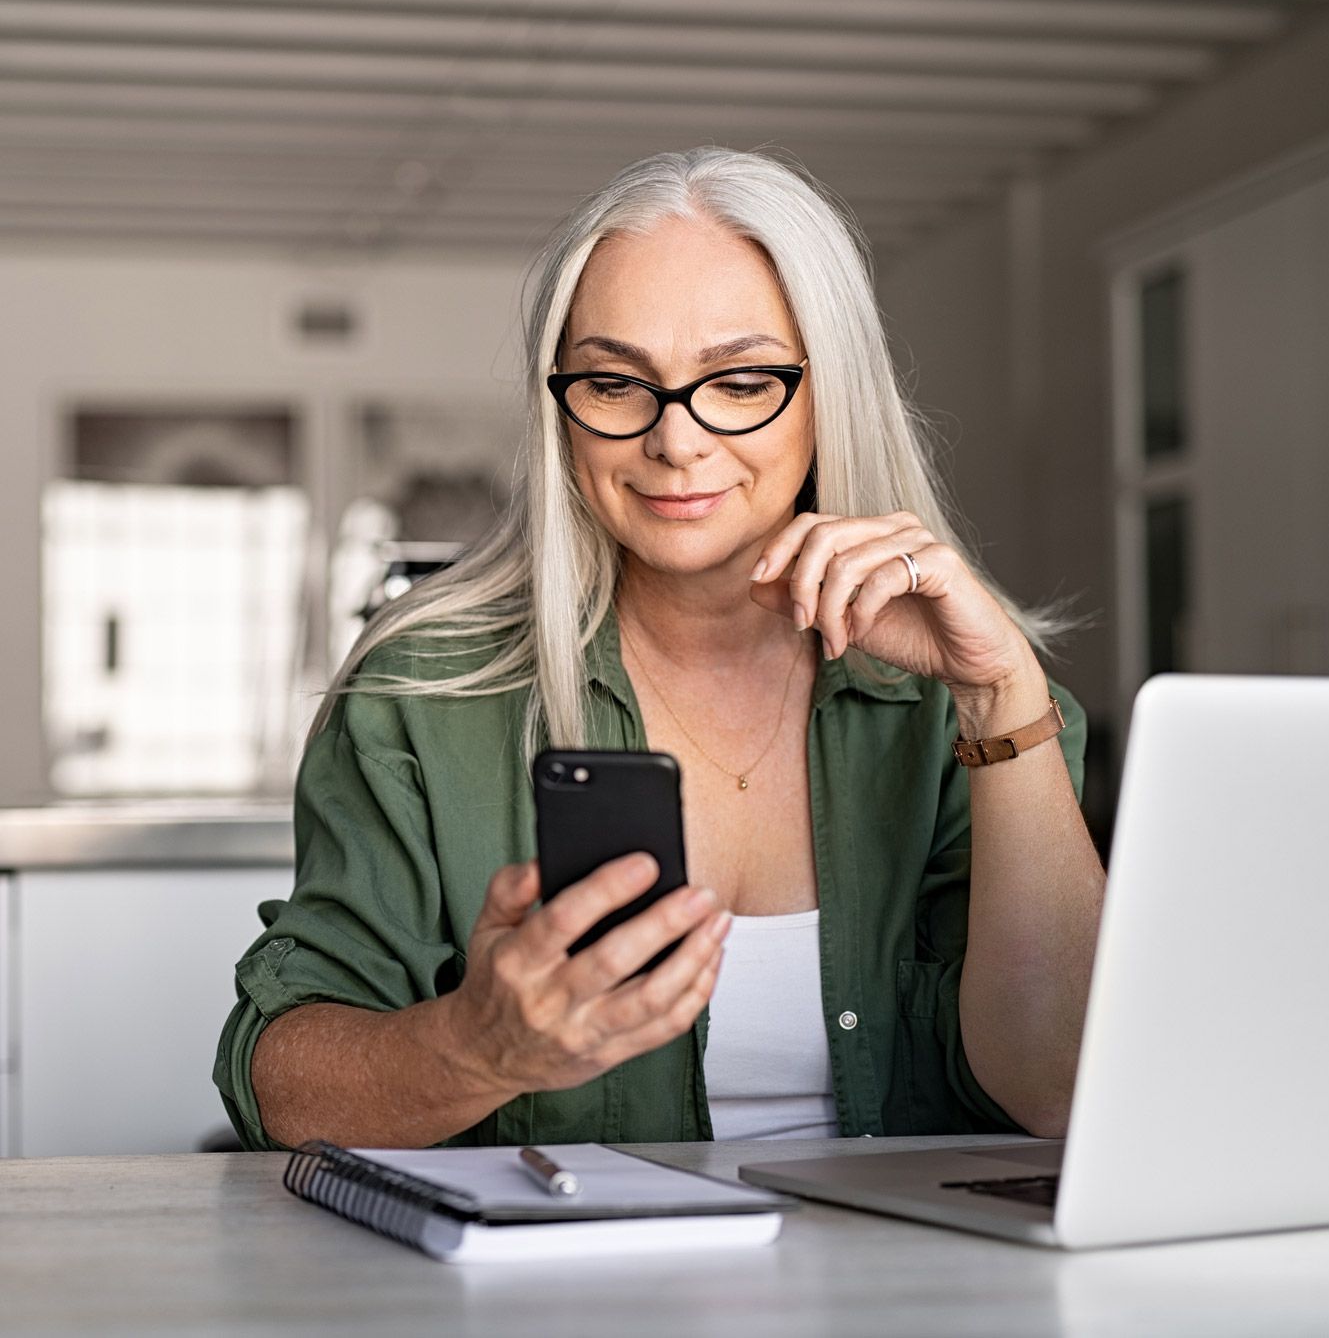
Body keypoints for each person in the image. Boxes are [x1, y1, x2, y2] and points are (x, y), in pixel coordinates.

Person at [214, 146, 1106, 1152]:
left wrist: (1000, 699)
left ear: (830, 393)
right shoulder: (421, 692)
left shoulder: (974, 704)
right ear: (562, 409)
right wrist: (477, 1047)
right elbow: (279, 1086)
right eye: (613, 382)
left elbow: (1062, 1090)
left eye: (738, 382)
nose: (674, 441)